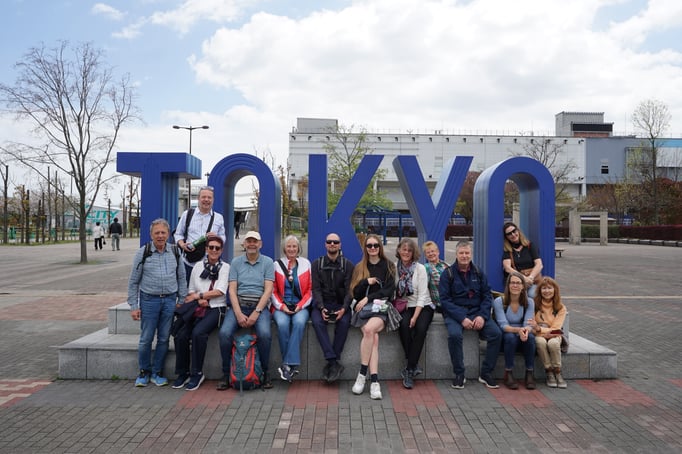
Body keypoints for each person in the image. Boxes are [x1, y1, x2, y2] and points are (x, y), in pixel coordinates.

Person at [127, 218, 187, 387]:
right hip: (149, 301)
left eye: (163, 232)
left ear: (168, 234)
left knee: (163, 338)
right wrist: (134, 306)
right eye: (157, 233)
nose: (160, 236)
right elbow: (133, 282)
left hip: (169, 301)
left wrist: (181, 299)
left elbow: (181, 277)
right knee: (146, 338)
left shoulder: (175, 252)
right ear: (151, 234)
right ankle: (144, 372)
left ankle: (157, 372)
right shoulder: (143, 252)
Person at [439, 240, 502, 389]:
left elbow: (487, 296)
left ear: (471, 254)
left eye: (467, 253)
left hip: (477, 312)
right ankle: (459, 374)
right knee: (455, 335)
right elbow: (445, 301)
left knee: (496, 334)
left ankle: (486, 373)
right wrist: (462, 318)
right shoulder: (447, 274)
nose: (464, 256)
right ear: (456, 254)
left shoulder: (479, 273)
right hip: (456, 314)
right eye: (461, 253)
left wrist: (482, 316)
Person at [217, 231, 274, 390]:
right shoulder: (236, 262)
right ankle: (226, 374)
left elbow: (268, 291)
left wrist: (256, 312)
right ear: (244, 244)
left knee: (265, 334)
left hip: (259, 307)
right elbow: (232, 290)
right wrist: (238, 313)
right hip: (239, 306)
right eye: (249, 241)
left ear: (260, 244)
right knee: (224, 333)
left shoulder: (268, 262)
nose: (251, 244)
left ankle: (265, 373)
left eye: (255, 241)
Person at [172, 236, 229, 391]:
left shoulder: (225, 268)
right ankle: (182, 372)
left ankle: (197, 372)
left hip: (216, 307)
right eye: (211, 247)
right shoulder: (198, 266)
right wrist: (199, 299)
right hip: (197, 306)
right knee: (181, 335)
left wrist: (201, 296)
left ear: (221, 250)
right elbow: (191, 289)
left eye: (217, 248)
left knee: (198, 333)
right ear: (206, 249)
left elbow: (220, 291)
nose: (214, 250)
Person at [350, 234, 397, 400]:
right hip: (363, 311)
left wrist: (368, 298)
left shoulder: (389, 265)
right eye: (369, 245)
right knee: (373, 338)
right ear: (365, 248)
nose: (372, 248)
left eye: (375, 245)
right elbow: (355, 292)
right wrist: (365, 282)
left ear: (380, 247)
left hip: (380, 309)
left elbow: (389, 291)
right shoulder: (360, 267)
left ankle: (362, 375)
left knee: (369, 330)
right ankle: (375, 382)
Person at [310, 233, 354, 383]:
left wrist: (344, 308)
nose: (332, 244)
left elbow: (350, 291)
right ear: (325, 244)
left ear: (340, 245)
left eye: (335, 242)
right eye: (329, 242)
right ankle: (333, 362)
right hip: (323, 304)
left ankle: (332, 362)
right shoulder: (317, 264)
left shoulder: (348, 265)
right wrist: (321, 307)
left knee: (344, 323)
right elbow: (315, 289)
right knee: (317, 322)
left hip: (341, 304)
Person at [271, 235, 312, 383]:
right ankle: (290, 365)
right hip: (281, 306)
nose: (291, 249)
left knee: (299, 323)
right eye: (289, 246)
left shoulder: (306, 264)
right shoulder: (276, 265)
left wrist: (300, 306)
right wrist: (281, 306)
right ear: (284, 248)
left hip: (300, 306)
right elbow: (273, 290)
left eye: (294, 246)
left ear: (298, 248)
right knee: (282, 324)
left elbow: (310, 290)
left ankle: (286, 365)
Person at [394, 238, 431, 389]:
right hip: (405, 305)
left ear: (413, 252)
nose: (406, 253)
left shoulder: (420, 269)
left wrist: (415, 317)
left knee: (420, 329)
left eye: (409, 250)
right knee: (403, 325)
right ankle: (413, 364)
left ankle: (409, 369)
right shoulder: (395, 267)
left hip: (423, 306)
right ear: (399, 250)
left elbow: (422, 295)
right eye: (404, 249)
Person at [493, 271, 536, 390]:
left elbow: (529, 323)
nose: (515, 285)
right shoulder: (499, 301)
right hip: (506, 337)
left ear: (523, 286)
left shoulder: (529, 302)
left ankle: (529, 372)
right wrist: (519, 330)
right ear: (508, 285)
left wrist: (525, 331)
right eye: (512, 283)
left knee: (531, 337)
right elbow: (503, 325)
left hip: (522, 334)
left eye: (518, 283)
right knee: (510, 337)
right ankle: (508, 372)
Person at [174, 186, 227, 283]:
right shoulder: (187, 214)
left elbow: (223, 237)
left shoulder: (218, 218)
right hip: (189, 262)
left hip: (209, 263)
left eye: (209, 197)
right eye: (203, 197)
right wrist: (182, 245)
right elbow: (178, 234)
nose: (206, 200)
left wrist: (216, 238)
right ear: (198, 198)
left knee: (207, 291)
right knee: (187, 290)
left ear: (213, 200)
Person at [530, 276, 568, 388]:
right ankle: (549, 371)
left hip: (554, 334)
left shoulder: (560, 307)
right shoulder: (534, 305)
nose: (547, 291)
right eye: (544, 288)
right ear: (539, 290)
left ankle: (558, 371)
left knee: (553, 343)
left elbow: (556, 328)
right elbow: (532, 326)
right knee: (540, 342)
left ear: (555, 290)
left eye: (550, 288)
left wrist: (540, 329)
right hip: (538, 335)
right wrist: (540, 330)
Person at [502, 222, 543, 298]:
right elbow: (507, 268)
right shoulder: (507, 249)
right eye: (509, 234)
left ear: (518, 231)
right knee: (518, 296)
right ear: (506, 237)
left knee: (532, 294)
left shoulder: (529, 245)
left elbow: (539, 264)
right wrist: (523, 278)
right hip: (516, 282)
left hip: (532, 281)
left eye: (514, 231)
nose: (513, 235)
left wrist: (530, 278)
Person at [423, 240, 449, 314]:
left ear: (438, 252)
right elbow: (424, 289)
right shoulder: (426, 268)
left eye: (432, 251)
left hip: (450, 301)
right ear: (425, 255)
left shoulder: (446, 265)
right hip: (439, 304)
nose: (431, 254)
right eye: (428, 252)